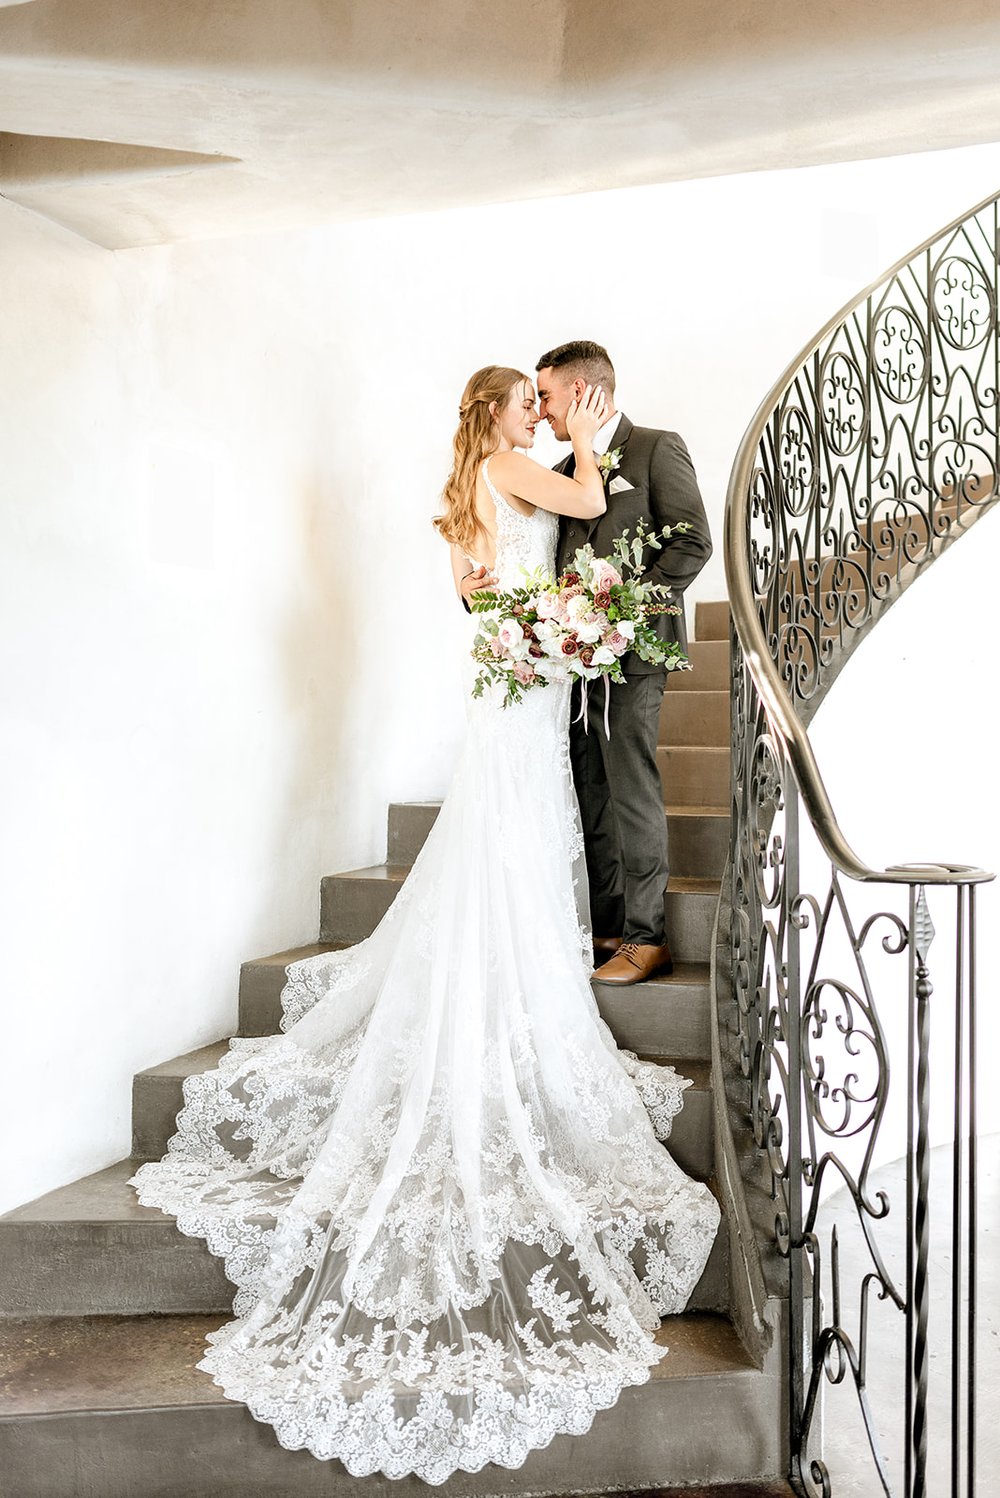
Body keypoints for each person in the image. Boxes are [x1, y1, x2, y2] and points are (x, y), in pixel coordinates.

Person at [131, 365, 719, 1485]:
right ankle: (516, 961)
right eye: (528, 403)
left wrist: (544, 622)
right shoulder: (518, 463)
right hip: (528, 683)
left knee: (526, 827)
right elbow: (589, 509)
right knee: (518, 828)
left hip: (523, 679)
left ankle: (531, 945)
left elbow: (475, 589)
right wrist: (589, 450)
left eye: (550, 404)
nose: (540, 416)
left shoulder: (478, 482)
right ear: (501, 414)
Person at [460, 342, 713, 987]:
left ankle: (646, 937)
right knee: (589, 793)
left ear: (579, 393)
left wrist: (625, 612)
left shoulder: (657, 447)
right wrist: (487, 593)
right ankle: (604, 926)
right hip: (566, 662)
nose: (540, 413)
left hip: (634, 654)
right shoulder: (570, 468)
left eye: (544, 397)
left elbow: (692, 540)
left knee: (629, 786)